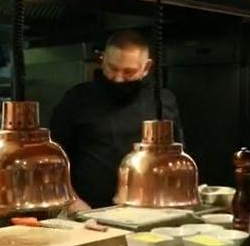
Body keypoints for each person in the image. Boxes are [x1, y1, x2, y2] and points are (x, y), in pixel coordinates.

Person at [50, 30, 185, 212]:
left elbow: (175, 159)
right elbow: (54, 159)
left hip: (147, 209)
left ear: (146, 68)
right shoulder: (77, 99)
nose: (118, 78)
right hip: (86, 211)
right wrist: (73, 202)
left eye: (129, 72)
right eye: (112, 68)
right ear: (103, 59)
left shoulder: (162, 101)